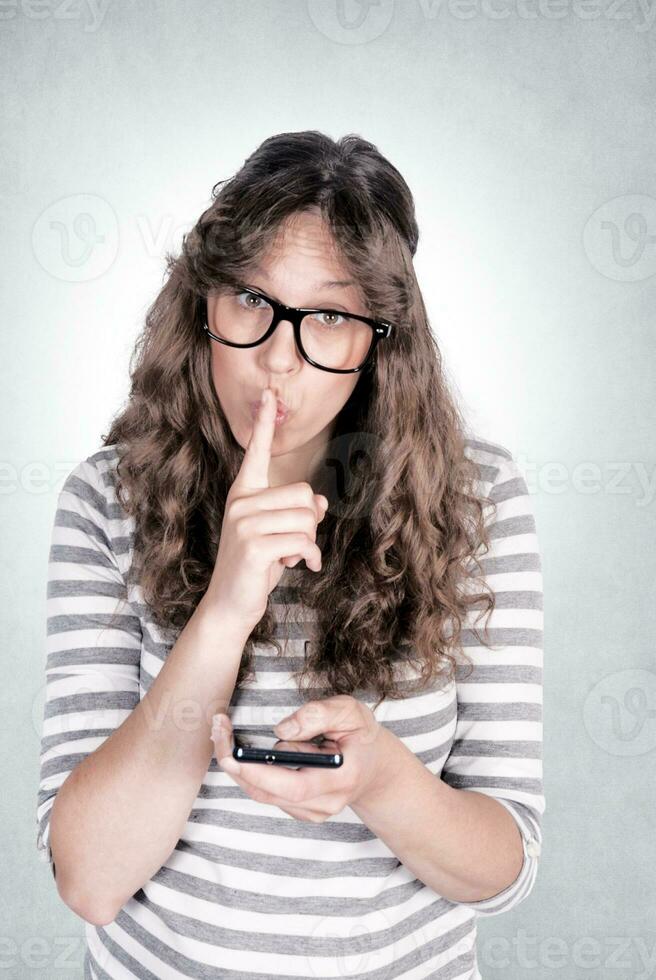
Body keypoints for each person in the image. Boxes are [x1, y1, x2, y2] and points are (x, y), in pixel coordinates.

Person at [36, 131, 544, 979]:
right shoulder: (107, 501)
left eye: (332, 319)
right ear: (200, 305)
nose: (277, 360)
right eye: (249, 300)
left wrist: (381, 779)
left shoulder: (475, 500)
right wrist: (226, 608)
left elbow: (505, 869)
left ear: (381, 342)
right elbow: (89, 882)